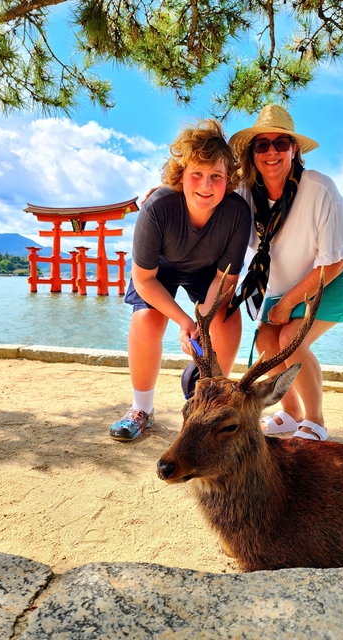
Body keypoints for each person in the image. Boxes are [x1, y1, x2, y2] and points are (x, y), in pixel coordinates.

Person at [226, 105, 343, 441]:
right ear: (252, 153)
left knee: (290, 338)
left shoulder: (321, 189)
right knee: (265, 339)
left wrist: (289, 301)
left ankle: (315, 421)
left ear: (294, 149)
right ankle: (291, 413)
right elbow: (206, 189)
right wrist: (166, 195)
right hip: (291, 274)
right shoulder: (245, 193)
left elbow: (335, 261)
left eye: (281, 143)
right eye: (262, 145)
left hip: (339, 269)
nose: (271, 152)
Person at [109, 119, 251, 442]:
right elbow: (143, 279)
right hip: (161, 270)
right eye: (197, 174)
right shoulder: (157, 208)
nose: (206, 184)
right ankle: (141, 409)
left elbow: (225, 279)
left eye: (216, 176)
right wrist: (185, 321)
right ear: (181, 175)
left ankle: (208, 396)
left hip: (209, 271)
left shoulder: (237, 214)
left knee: (227, 321)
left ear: (228, 180)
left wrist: (202, 324)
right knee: (147, 320)